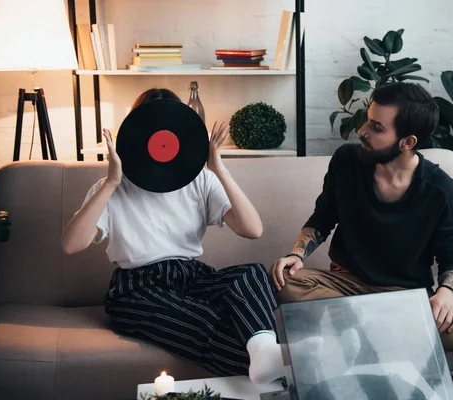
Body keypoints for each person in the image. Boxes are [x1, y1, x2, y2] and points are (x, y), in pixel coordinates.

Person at [61, 88, 285, 384]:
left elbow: (252, 229)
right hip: (137, 288)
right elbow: (71, 245)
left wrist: (219, 168)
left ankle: (266, 351)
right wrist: (111, 182)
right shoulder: (112, 187)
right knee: (204, 320)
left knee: (251, 273)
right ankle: (284, 368)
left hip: (191, 276)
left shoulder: (201, 179)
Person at [271, 82, 453, 353]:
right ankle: (377, 327)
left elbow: (452, 256)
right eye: (368, 120)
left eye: (377, 128)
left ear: (408, 142)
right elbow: (323, 217)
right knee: (283, 283)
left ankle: (354, 327)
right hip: (343, 284)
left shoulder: (439, 190)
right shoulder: (346, 160)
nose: (361, 131)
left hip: (402, 293)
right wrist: (296, 255)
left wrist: (447, 292)